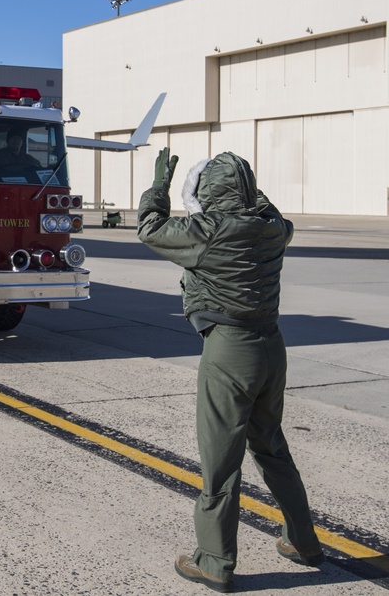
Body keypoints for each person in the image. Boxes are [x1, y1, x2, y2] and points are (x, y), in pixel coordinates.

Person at [137, 149, 324, 593]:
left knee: (220, 462)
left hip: (230, 349)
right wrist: (249, 189)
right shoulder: (274, 228)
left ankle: (216, 562)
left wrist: (159, 188)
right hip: (271, 347)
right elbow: (269, 210)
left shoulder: (208, 231)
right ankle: (304, 542)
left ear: (210, 191)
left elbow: (150, 229)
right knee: (271, 447)